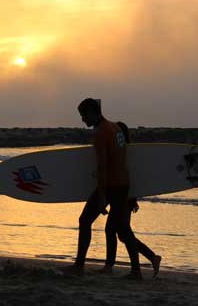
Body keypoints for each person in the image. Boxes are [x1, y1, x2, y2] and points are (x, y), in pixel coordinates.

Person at [60, 98, 160, 279]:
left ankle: (79, 266)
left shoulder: (101, 134)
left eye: (83, 115)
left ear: (91, 112)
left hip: (112, 185)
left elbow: (102, 167)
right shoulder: (116, 128)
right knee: (122, 229)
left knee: (85, 221)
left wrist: (100, 197)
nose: (82, 120)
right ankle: (136, 271)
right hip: (122, 184)